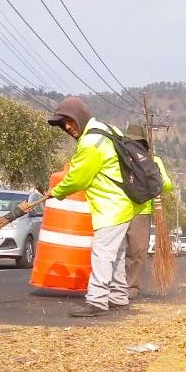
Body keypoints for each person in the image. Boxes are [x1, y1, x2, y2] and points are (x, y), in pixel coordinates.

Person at [44, 97, 141, 317]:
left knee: (103, 253)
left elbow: (78, 178)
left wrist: (55, 192)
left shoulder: (90, 143)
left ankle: (97, 301)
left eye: (69, 121)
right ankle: (118, 297)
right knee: (115, 254)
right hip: (124, 202)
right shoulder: (105, 129)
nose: (67, 127)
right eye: (63, 124)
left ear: (80, 116)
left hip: (112, 205)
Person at [123, 123, 174, 299]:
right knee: (120, 251)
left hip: (141, 210)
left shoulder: (154, 160)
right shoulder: (120, 157)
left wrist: (155, 174)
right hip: (119, 208)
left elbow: (167, 185)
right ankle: (118, 285)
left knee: (137, 251)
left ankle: (131, 286)